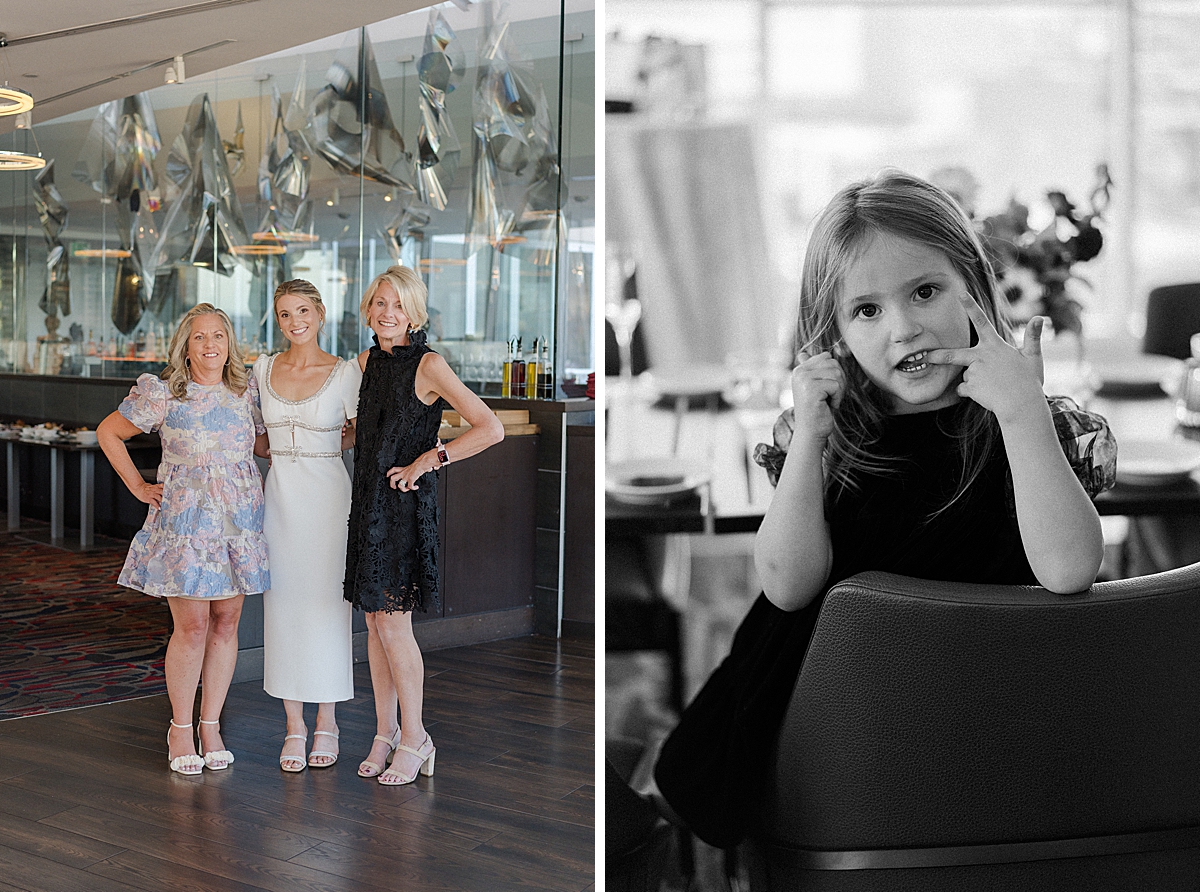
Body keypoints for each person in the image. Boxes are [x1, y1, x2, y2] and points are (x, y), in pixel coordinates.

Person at [653, 169, 1118, 848]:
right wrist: (810, 433)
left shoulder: (1034, 424)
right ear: (833, 334)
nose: (904, 329)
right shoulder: (828, 437)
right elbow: (785, 587)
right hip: (836, 736)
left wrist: (1024, 415)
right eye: (866, 310)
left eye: (925, 292)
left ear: (975, 290)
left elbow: (1071, 568)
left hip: (996, 720)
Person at [344, 265, 504, 786]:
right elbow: (359, 433)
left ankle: (416, 737)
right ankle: (385, 732)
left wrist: (428, 460)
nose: (387, 313)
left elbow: (490, 428)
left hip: (404, 510)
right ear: (368, 310)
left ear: (415, 314)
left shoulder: (430, 365)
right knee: (373, 621)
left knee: (393, 624)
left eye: (397, 305)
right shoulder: (366, 361)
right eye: (379, 303)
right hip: (367, 505)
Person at [97, 303, 269, 775]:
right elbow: (109, 432)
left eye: (218, 335)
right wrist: (137, 485)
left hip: (238, 522)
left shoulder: (247, 389)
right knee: (191, 626)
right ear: (186, 345)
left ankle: (210, 724)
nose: (210, 344)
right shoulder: (164, 393)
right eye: (200, 337)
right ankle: (180, 727)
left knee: (227, 623)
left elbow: (262, 445)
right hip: (186, 525)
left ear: (229, 342)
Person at [253, 279, 362, 772]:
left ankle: (328, 723)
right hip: (279, 501)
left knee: (326, 609)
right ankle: (294, 727)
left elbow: (363, 431)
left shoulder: (344, 373)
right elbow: (253, 435)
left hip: (329, 503)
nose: (294, 321)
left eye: (302, 310)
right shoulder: (261, 368)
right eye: (283, 314)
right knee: (284, 608)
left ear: (320, 313)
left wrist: (329, 445)